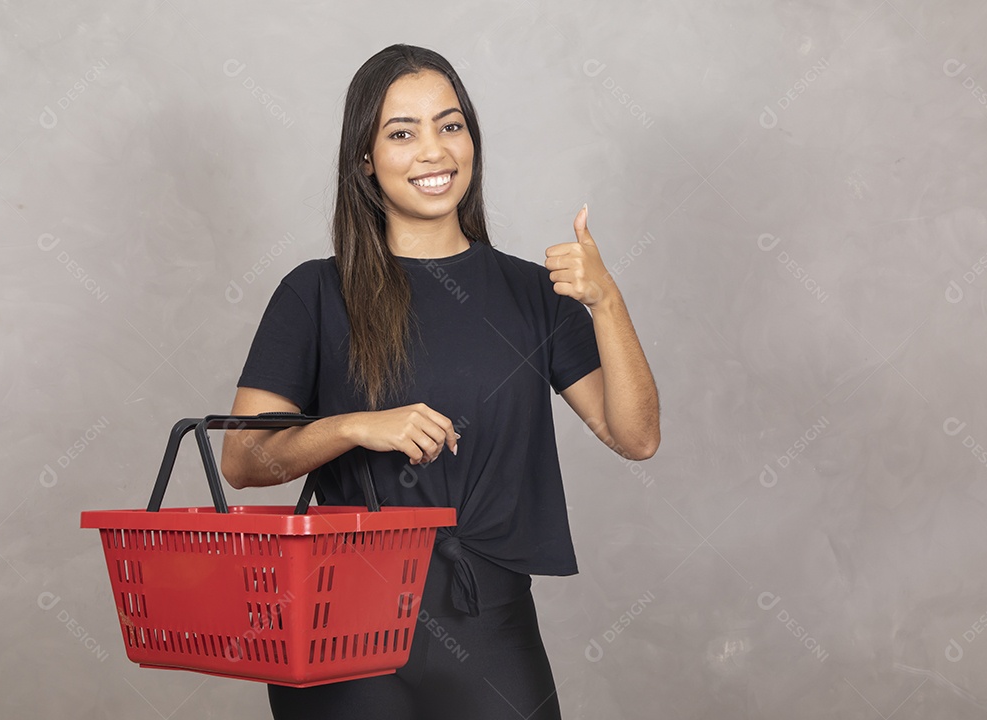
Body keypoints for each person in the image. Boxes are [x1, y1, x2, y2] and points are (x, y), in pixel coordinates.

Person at [221, 43, 660, 720]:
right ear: (365, 159)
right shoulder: (313, 293)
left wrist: (607, 303)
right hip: (344, 633)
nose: (434, 151)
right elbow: (243, 463)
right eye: (403, 133)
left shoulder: (531, 293)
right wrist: (353, 426)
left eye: (450, 125)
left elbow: (635, 437)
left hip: (493, 626)